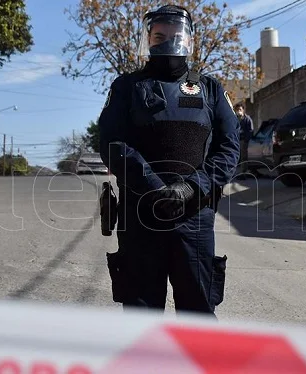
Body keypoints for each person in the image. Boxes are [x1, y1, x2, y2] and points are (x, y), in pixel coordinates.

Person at [98, 4, 240, 317]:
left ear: (188, 40)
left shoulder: (211, 89)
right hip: (140, 218)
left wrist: (191, 188)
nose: (167, 42)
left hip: (194, 220)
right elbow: (111, 143)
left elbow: (229, 149)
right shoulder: (127, 87)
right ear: (148, 39)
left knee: (198, 318)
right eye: (159, 36)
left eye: (175, 36)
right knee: (140, 321)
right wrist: (153, 186)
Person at [234, 103, 253, 174]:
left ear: (243, 110)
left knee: (243, 157)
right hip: (235, 141)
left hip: (243, 141)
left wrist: (246, 140)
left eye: (240, 109)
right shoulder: (234, 119)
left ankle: (243, 172)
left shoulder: (247, 119)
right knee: (235, 157)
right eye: (237, 110)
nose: (238, 111)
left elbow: (251, 130)